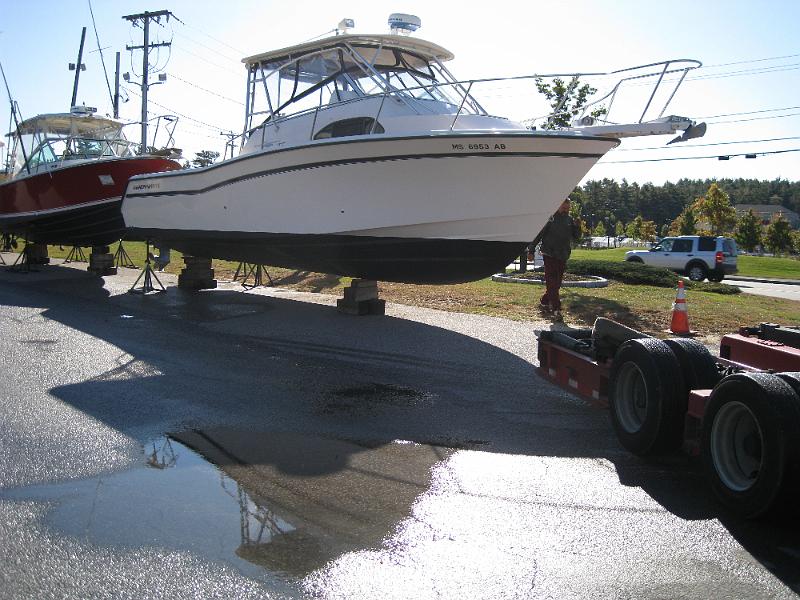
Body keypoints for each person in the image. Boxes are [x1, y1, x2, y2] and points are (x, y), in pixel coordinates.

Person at [534, 199, 579, 321]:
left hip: (563, 254)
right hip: (549, 253)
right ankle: (556, 309)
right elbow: (539, 235)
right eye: (563, 207)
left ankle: (544, 300)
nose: (565, 210)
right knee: (551, 279)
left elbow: (576, 238)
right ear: (558, 206)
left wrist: (577, 227)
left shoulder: (570, 220)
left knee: (557, 282)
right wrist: (531, 250)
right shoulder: (550, 219)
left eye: (567, 208)